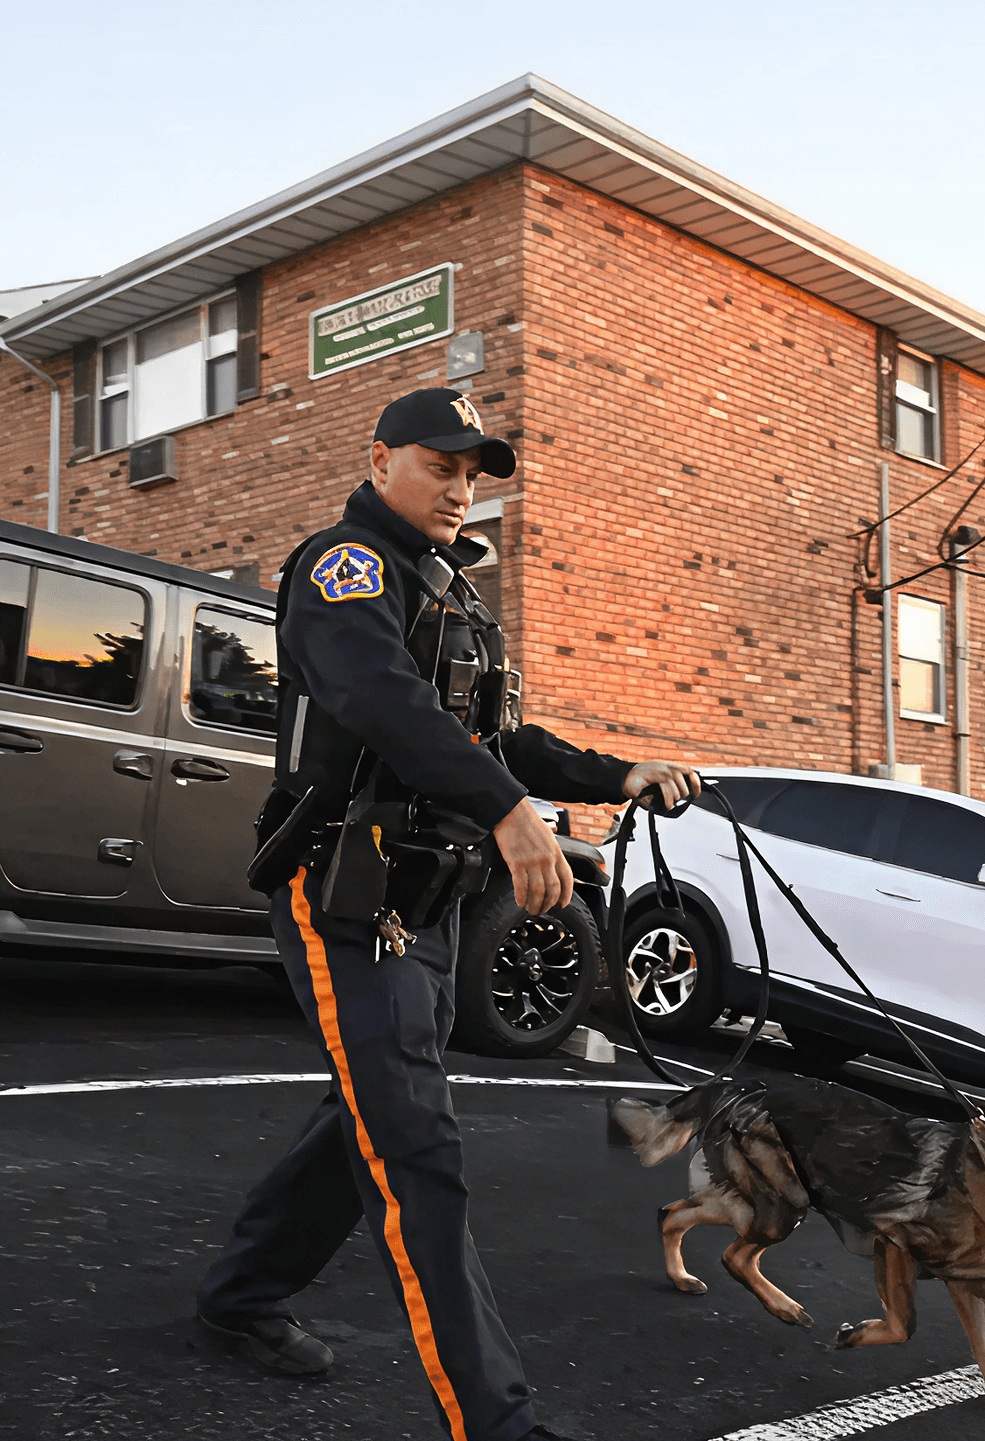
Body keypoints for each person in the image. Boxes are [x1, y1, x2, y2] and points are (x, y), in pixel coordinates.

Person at [196, 389, 699, 1441]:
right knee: (414, 1146)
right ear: (380, 461)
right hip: (343, 890)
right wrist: (512, 816)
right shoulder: (344, 568)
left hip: (421, 897)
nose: (459, 490)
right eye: (440, 466)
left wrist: (618, 771)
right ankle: (496, 1423)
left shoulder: (453, 597)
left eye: (473, 474)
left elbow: (498, 738)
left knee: (371, 1116)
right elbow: (381, 700)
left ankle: (239, 1298)